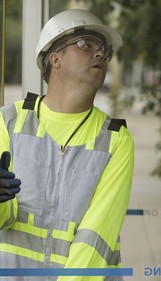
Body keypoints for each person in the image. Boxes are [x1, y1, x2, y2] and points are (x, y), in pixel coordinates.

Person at [0, 9, 134, 281]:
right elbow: (6, 218)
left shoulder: (116, 139)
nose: (99, 54)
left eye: (104, 50)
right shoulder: (8, 123)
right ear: (55, 58)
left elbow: (96, 236)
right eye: (86, 44)